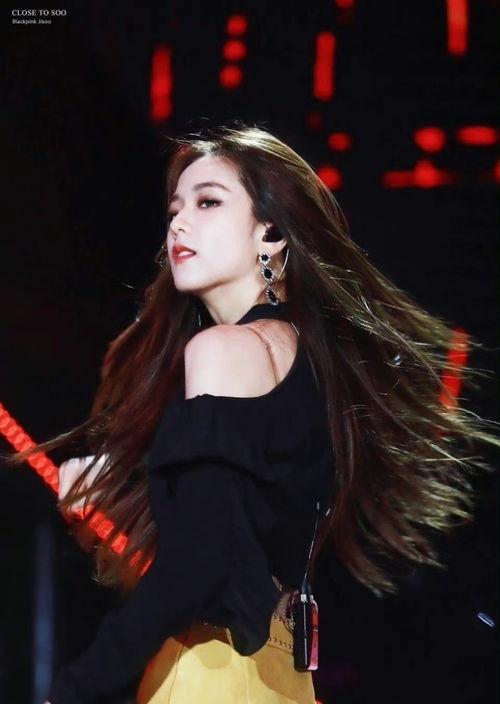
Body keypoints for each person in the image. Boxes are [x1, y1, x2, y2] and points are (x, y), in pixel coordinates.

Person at [8, 122, 499, 703]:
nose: (178, 223)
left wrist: (70, 690)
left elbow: (196, 575)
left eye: (208, 202)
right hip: (281, 680)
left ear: (271, 233)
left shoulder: (223, 351)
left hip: (211, 679)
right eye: (174, 209)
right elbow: (232, 564)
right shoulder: (305, 362)